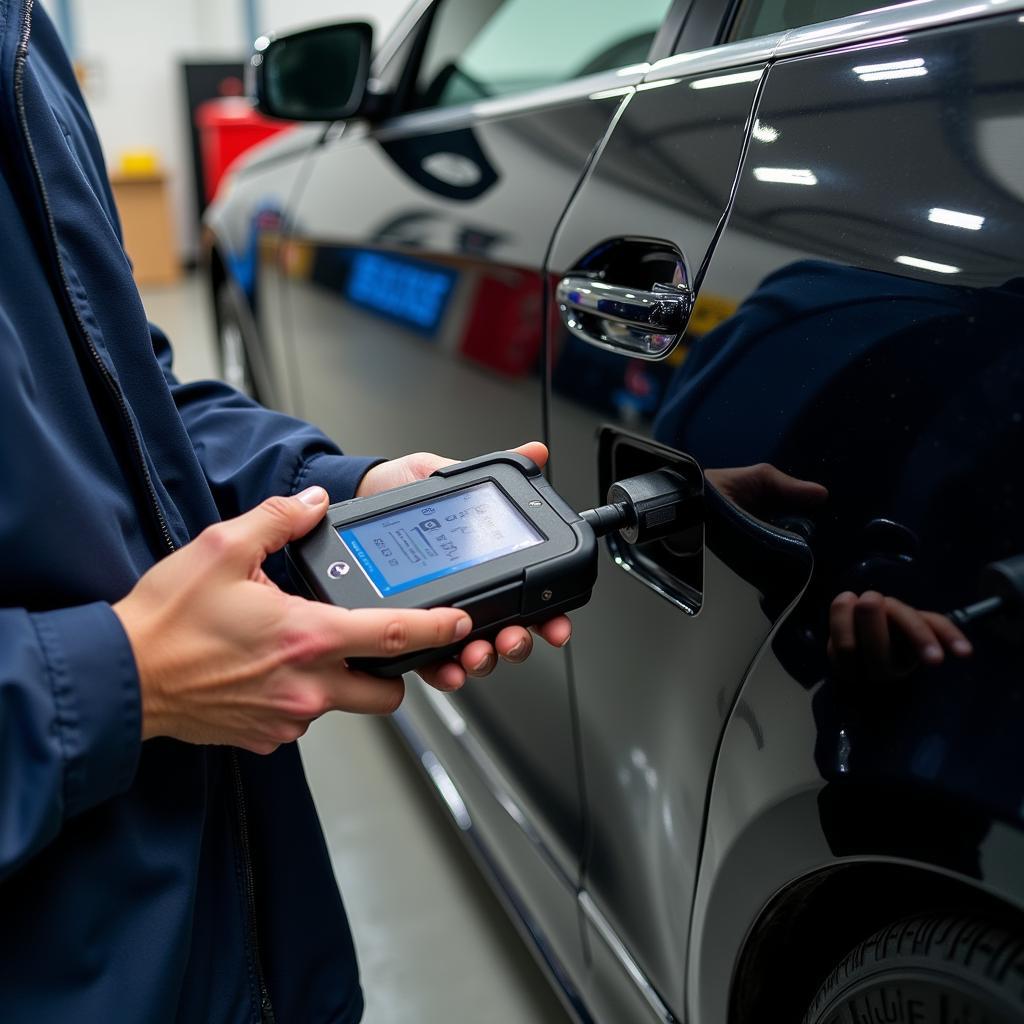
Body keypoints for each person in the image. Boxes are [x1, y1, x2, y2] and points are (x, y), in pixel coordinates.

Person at [0, 6, 569, 1022]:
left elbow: (125, 397)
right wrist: (123, 679)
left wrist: (339, 488)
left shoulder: (20, 39)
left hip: (217, 934)